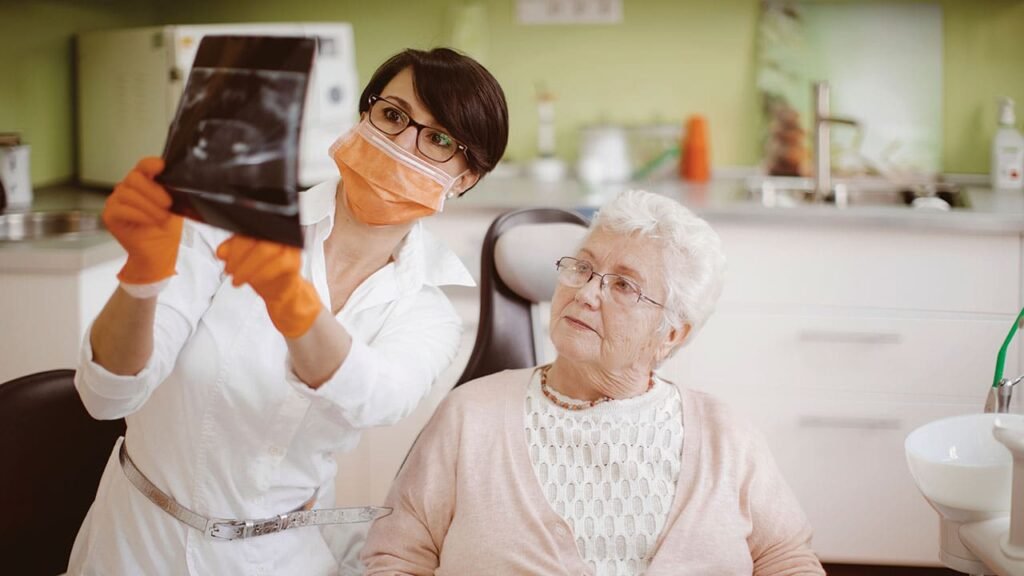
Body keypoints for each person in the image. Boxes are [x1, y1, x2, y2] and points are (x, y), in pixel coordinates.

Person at [68, 47, 508, 575]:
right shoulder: (227, 220)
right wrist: (140, 279)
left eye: (437, 140)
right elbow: (104, 395)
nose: (401, 145)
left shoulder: (428, 311)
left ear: (465, 178)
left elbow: (376, 399)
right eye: (392, 115)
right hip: (137, 544)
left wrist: (290, 302)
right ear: (363, 114)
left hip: (278, 555)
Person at [361, 190, 826, 575]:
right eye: (582, 268)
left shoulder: (727, 436)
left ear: (671, 333)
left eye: (624, 285)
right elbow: (396, 557)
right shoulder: (471, 416)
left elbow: (787, 559)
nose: (585, 293)